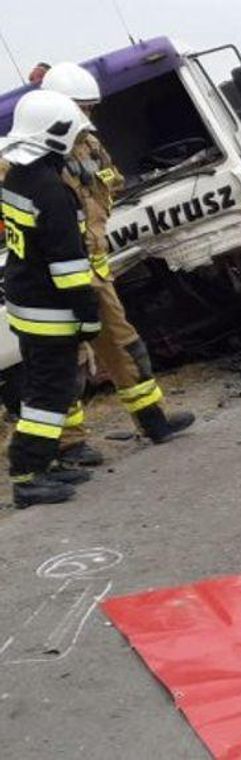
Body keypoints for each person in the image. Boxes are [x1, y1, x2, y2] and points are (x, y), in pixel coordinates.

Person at [41, 62, 194, 466]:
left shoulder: (88, 144)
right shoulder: (24, 158)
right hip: (53, 277)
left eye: (89, 109)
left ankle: (153, 420)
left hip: (94, 268)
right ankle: (69, 445)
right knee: (64, 360)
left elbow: (113, 181)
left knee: (125, 344)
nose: (86, 116)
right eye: (81, 108)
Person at [1, 90, 100, 507]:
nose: (79, 146)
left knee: (42, 389)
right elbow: (68, 266)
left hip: (26, 302)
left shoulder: (18, 180)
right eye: (75, 137)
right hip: (49, 309)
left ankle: (45, 462)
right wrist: (89, 316)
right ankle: (28, 475)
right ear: (56, 135)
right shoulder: (51, 192)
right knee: (49, 394)